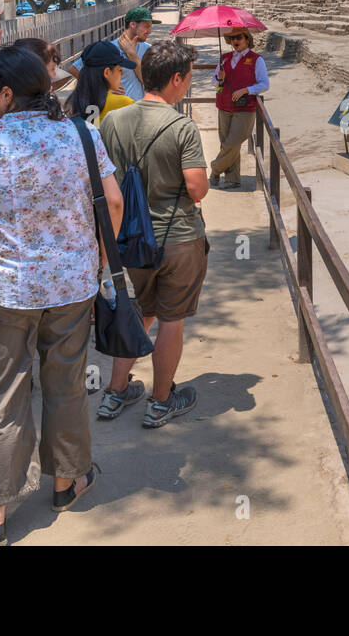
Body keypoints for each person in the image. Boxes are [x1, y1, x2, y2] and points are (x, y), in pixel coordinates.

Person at [0, 45, 123, 545]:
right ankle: (68, 483)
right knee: (65, 383)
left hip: (3, 289)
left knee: (3, 395)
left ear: (5, 93)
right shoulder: (81, 135)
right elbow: (113, 201)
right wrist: (99, 260)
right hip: (72, 285)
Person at [98, 40, 209, 426]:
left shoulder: (113, 120)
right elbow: (196, 189)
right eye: (190, 77)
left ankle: (115, 392)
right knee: (171, 320)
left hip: (129, 239)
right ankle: (161, 401)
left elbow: (105, 179)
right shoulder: (182, 127)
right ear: (176, 79)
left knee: (138, 313)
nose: (190, 84)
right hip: (176, 236)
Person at [208, 27, 269, 188]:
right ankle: (232, 179)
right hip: (224, 105)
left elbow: (264, 84)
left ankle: (214, 170)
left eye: (239, 37)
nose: (235, 41)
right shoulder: (224, 58)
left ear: (247, 39)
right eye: (232, 38)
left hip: (245, 108)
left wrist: (246, 90)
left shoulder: (256, 59)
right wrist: (219, 77)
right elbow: (214, 82)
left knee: (232, 144)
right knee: (227, 144)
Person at [69, 7, 153, 101]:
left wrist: (132, 55)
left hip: (138, 110)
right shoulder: (108, 49)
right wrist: (102, 89)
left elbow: (150, 84)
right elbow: (74, 69)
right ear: (132, 24)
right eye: (146, 26)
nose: (149, 31)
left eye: (150, 27)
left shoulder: (148, 49)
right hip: (114, 111)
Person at [66, 40, 136, 124]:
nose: (122, 73)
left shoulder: (71, 103)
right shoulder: (125, 104)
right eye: (120, 70)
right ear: (107, 72)